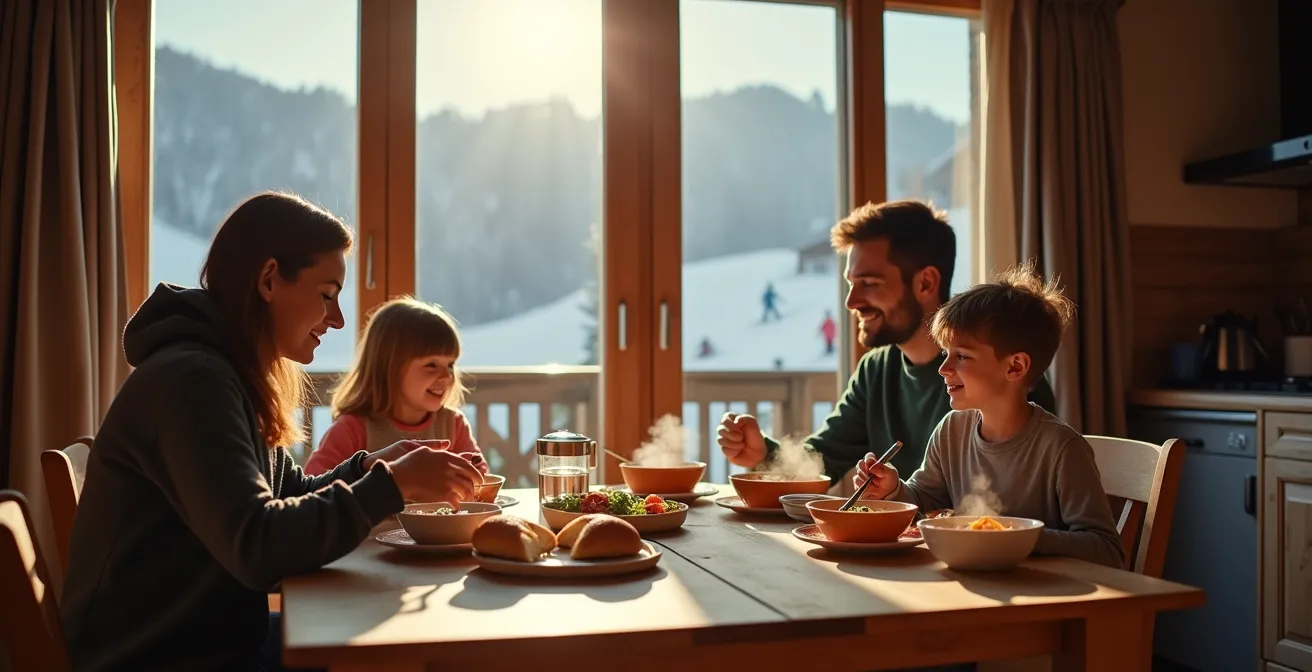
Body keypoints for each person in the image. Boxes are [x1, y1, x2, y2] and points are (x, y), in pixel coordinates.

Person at [59, 192, 484, 672]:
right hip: (159, 655)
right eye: (327, 294)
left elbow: (287, 493)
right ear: (268, 280)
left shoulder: (226, 373)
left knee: (392, 640)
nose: (338, 318)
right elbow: (259, 546)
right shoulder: (192, 383)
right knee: (399, 649)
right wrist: (393, 485)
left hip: (210, 637)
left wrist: (371, 467)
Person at [718, 200, 1056, 494]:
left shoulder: (998, 373)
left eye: (869, 283)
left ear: (925, 283)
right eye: (852, 284)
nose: (851, 301)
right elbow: (821, 462)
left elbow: (1024, 504)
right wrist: (762, 452)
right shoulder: (875, 369)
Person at [855, 263, 1124, 569]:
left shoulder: (1062, 449)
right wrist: (893, 489)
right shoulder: (951, 430)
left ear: (1014, 367)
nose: (943, 369)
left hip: (1039, 601)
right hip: (971, 588)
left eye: (962, 356)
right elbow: (925, 500)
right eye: (946, 354)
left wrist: (1014, 536)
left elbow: (1106, 549)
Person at [303, 297, 489, 477]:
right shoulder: (353, 430)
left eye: (450, 365)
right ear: (389, 368)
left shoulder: (453, 425)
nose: (447, 376)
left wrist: (471, 476)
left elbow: (481, 478)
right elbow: (314, 486)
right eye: (431, 365)